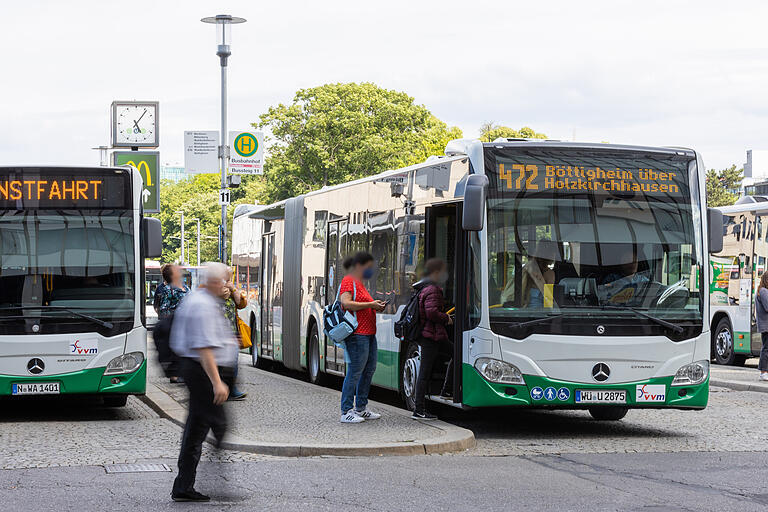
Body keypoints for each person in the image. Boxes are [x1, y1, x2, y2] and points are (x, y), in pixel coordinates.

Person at [169, 262, 238, 503]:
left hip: (198, 369)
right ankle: (216, 480)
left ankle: (184, 485)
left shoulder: (201, 300)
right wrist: (217, 382)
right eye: (226, 281)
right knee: (218, 424)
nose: (228, 286)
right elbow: (204, 348)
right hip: (201, 371)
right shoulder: (202, 305)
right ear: (216, 283)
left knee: (197, 427)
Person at [338, 252, 386, 423]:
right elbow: (346, 303)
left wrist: (375, 306)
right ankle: (346, 411)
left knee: (369, 369)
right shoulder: (349, 280)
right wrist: (371, 304)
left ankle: (361, 407)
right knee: (355, 371)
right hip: (357, 334)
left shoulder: (361, 284)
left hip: (369, 334)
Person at [412, 258, 452, 420]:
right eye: (443, 271)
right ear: (436, 272)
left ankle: (447, 390)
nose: (445, 275)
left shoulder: (423, 287)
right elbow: (432, 313)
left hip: (432, 335)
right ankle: (419, 409)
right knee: (425, 372)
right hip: (432, 336)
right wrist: (446, 319)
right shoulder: (433, 289)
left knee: (455, 355)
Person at [155, 264, 189, 384]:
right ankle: (174, 375)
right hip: (175, 323)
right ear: (172, 275)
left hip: (187, 323)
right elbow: (163, 308)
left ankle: (184, 372)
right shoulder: (168, 289)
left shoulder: (185, 287)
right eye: (176, 270)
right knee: (175, 348)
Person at [499, 238, 557, 307]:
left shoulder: (527, 267)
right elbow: (548, 301)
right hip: (541, 315)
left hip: (524, 311)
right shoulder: (549, 274)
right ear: (551, 254)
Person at [222, 267, 248, 401]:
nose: (229, 277)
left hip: (233, 332)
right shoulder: (211, 287)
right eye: (227, 275)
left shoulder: (232, 289)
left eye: (230, 275)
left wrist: (233, 289)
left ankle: (232, 388)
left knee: (234, 362)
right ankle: (221, 388)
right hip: (218, 333)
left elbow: (241, 303)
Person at [754, 272, 768, 382]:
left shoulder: (761, 291)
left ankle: (764, 371)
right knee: (766, 349)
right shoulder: (764, 292)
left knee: (766, 348)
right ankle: (763, 372)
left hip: (765, 325)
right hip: (766, 325)